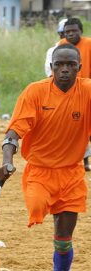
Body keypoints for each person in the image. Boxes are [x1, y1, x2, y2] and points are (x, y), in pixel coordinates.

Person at [0, 44, 91, 271]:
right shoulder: (35, 92)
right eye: (58, 65)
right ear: (51, 68)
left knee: (63, 239)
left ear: (79, 68)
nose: (64, 69)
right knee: (37, 205)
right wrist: (7, 160)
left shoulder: (87, 91)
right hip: (39, 171)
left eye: (70, 65)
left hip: (72, 174)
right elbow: (14, 132)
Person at [60, 18, 91, 171]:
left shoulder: (89, 44)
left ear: (81, 31)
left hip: (86, 92)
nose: (70, 34)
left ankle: (85, 161)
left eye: (74, 31)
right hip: (67, 93)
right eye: (67, 32)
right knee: (74, 128)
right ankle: (79, 161)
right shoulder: (62, 46)